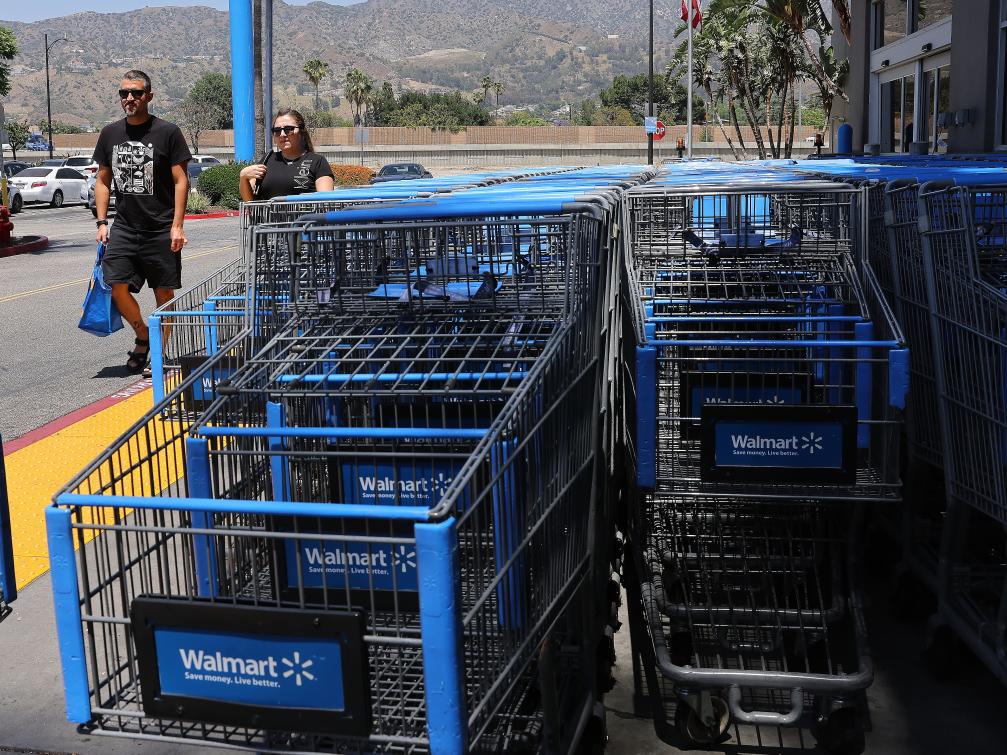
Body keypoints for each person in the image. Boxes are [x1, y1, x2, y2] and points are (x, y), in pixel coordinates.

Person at [93, 69, 191, 374]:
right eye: (124, 93)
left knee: (163, 293)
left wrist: (177, 225)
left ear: (149, 96)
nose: (129, 98)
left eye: (136, 92)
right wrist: (101, 222)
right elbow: (103, 181)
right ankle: (143, 336)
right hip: (124, 226)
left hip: (161, 228)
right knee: (115, 286)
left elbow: (181, 181)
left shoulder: (167, 132)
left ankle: (158, 353)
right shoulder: (110, 133)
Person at [239, 109, 334, 201]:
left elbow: (325, 202)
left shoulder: (317, 162)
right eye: (277, 130)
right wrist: (243, 177)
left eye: (288, 129)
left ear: (301, 131)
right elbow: (249, 200)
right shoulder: (266, 160)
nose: (282, 134)